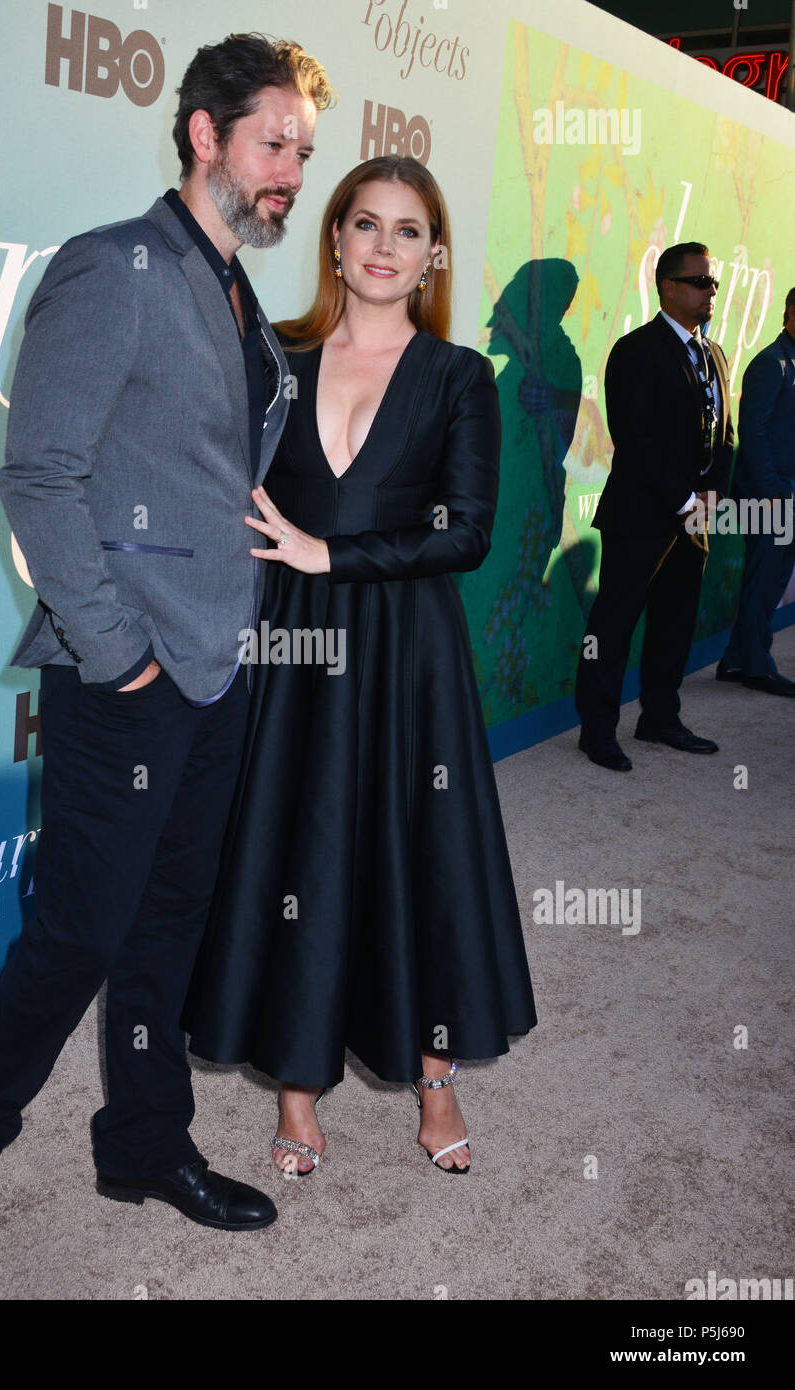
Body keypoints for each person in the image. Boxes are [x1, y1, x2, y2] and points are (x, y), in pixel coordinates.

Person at [0, 34, 334, 1264]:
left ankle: (144, 1143)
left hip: (218, 666)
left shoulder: (231, 286)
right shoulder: (115, 267)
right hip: (128, 675)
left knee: (168, 926)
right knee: (82, 933)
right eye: (272, 145)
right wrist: (119, 658)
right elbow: (38, 476)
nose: (289, 175)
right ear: (204, 134)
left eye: (302, 153)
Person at [184, 156, 537, 1176]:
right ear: (334, 238)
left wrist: (329, 553)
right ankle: (298, 1087)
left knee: (417, 853)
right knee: (302, 850)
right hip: (293, 644)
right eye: (366, 224)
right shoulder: (275, 358)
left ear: (432, 256)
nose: (385, 246)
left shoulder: (458, 375)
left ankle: (435, 1079)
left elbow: (466, 534)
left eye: (408, 230)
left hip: (405, 650)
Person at [575, 242, 734, 772]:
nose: (710, 291)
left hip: (694, 520)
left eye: (711, 283)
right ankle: (596, 731)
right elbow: (635, 438)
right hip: (640, 516)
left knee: (675, 622)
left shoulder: (713, 354)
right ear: (668, 287)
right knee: (613, 626)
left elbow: (723, 435)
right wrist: (685, 499)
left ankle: (660, 718)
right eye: (699, 282)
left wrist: (710, 495)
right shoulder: (635, 351)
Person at [716, 286, 795, 696]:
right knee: (765, 578)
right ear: (790, 314)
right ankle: (756, 665)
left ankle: (734, 658)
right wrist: (774, 493)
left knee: (772, 577)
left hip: (784, 494)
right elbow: (753, 432)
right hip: (769, 497)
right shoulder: (771, 364)